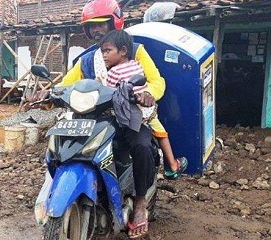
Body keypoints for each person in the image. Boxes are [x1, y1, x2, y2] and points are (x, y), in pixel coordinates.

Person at [57, 0, 163, 238]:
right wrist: (49, 92)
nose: (95, 30)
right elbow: (66, 82)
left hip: (128, 117)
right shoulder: (86, 60)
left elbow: (157, 81)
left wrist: (148, 94)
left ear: (114, 22)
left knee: (142, 146)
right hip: (96, 119)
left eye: (100, 24)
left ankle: (139, 203)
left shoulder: (135, 51)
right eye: (90, 27)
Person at [99, 29, 188, 181]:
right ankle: (172, 164)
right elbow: (146, 81)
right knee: (161, 134)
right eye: (102, 51)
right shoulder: (136, 64)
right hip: (147, 110)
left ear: (123, 51)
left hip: (127, 114)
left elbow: (107, 92)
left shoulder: (112, 72)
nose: (104, 55)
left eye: (108, 51)